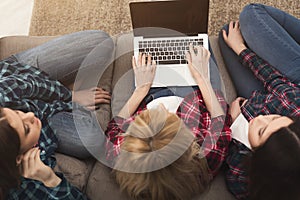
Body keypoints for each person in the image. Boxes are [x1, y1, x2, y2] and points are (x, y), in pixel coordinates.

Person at [104, 45, 232, 200]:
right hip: (196, 94)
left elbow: (113, 128)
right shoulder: (205, 157)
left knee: (149, 46)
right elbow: (220, 120)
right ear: (189, 144)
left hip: (148, 93)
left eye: (148, 116)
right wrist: (202, 78)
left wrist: (141, 90)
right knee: (197, 46)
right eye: (171, 117)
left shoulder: (120, 157)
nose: (163, 107)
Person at [0, 30, 114, 199]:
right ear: (18, 158)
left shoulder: (4, 95)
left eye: (18, 112)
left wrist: (72, 97)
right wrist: (50, 179)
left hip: (23, 75)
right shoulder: (20, 183)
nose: (29, 115)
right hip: (45, 125)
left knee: (101, 42)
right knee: (94, 141)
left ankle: (54, 97)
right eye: (26, 128)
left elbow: (33, 84)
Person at [219, 3, 300, 199]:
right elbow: (274, 80)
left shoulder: (243, 180)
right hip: (292, 87)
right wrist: (240, 49)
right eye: (274, 118)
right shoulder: (293, 106)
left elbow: (231, 170)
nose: (261, 118)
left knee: (224, 33)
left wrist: (234, 123)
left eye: (262, 131)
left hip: (269, 96)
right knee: (249, 15)